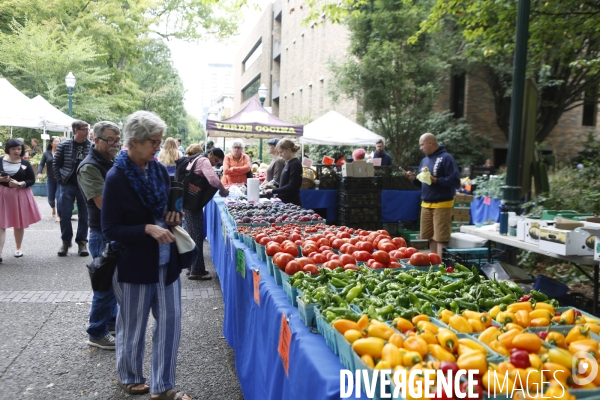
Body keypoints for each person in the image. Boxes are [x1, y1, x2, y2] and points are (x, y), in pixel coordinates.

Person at [102, 110, 191, 400]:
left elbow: (166, 209)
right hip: (134, 265)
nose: (158, 146)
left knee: (170, 325)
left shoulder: (156, 169)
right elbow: (110, 229)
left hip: (167, 263)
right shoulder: (117, 177)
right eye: (153, 141)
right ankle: (129, 376)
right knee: (133, 327)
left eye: (159, 141)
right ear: (135, 141)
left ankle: (163, 386)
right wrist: (147, 229)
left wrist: (172, 215)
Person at [77, 121, 121, 350]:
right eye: (110, 140)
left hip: (112, 230)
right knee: (104, 284)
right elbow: (105, 203)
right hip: (101, 233)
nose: (115, 144)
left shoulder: (111, 161)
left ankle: (110, 323)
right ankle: (96, 331)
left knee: (113, 283)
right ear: (96, 140)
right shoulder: (89, 166)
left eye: (117, 140)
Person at [404, 133, 460, 257]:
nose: (420, 148)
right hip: (426, 204)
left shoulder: (446, 158)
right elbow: (423, 183)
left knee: (441, 237)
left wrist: (436, 180)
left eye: (422, 144)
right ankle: (433, 264)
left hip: (442, 204)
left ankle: (441, 266)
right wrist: (413, 178)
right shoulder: (424, 160)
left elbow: (455, 181)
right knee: (430, 236)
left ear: (430, 143)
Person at [184, 148, 229, 280]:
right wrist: (223, 190)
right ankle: (197, 271)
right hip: (193, 204)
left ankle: (191, 266)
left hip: (188, 201)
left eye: (218, 162)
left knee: (191, 235)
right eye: (215, 160)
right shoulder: (204, 161)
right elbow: (213, 180)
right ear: (210, 154)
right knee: (196, 236)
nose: (215, 164)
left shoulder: (196, 159)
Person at [53, 120, 92, 257]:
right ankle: (65, 241)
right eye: (84, 129)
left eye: (88, 129)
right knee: (64, 214)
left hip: (85, 186)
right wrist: (61, 180)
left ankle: (82, 242)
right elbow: (56, 164)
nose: (87, 131)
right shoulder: (64, 144)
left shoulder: (92, 146)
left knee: (84, 215)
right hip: (67, 184)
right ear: (76, 130)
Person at [0, 139, 42, 261]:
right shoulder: (0, 160)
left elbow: (31, 180)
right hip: (2, 194)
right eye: (13, 149)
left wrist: (19, 184)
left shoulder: (25, 163)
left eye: (19, 149)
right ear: (8, 149)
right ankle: (0, 253)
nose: (16, 151)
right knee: (0, 224)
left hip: (19, 194)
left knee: (18, 223)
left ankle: (18, 248)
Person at [265, 139, 302, 206]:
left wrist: (273, 191)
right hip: (285, 201)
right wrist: (274, 186)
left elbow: (292, 186)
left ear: (288, 150)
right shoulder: (289, 163)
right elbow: (285, 183)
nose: (280, 155)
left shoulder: (295, 164)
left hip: (291, 203)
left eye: (281, 152)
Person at [38, 136, 61, 221]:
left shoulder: (62, 152)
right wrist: (39, 172)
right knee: (50, 199)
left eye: (59, 141)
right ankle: (53, 207)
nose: (57, 143)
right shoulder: (46, 153)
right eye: (55, 141)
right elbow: (41, 164)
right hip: (50, 178)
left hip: (60, 178)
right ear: (51, 143)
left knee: (59, 196)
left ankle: (59, 215)